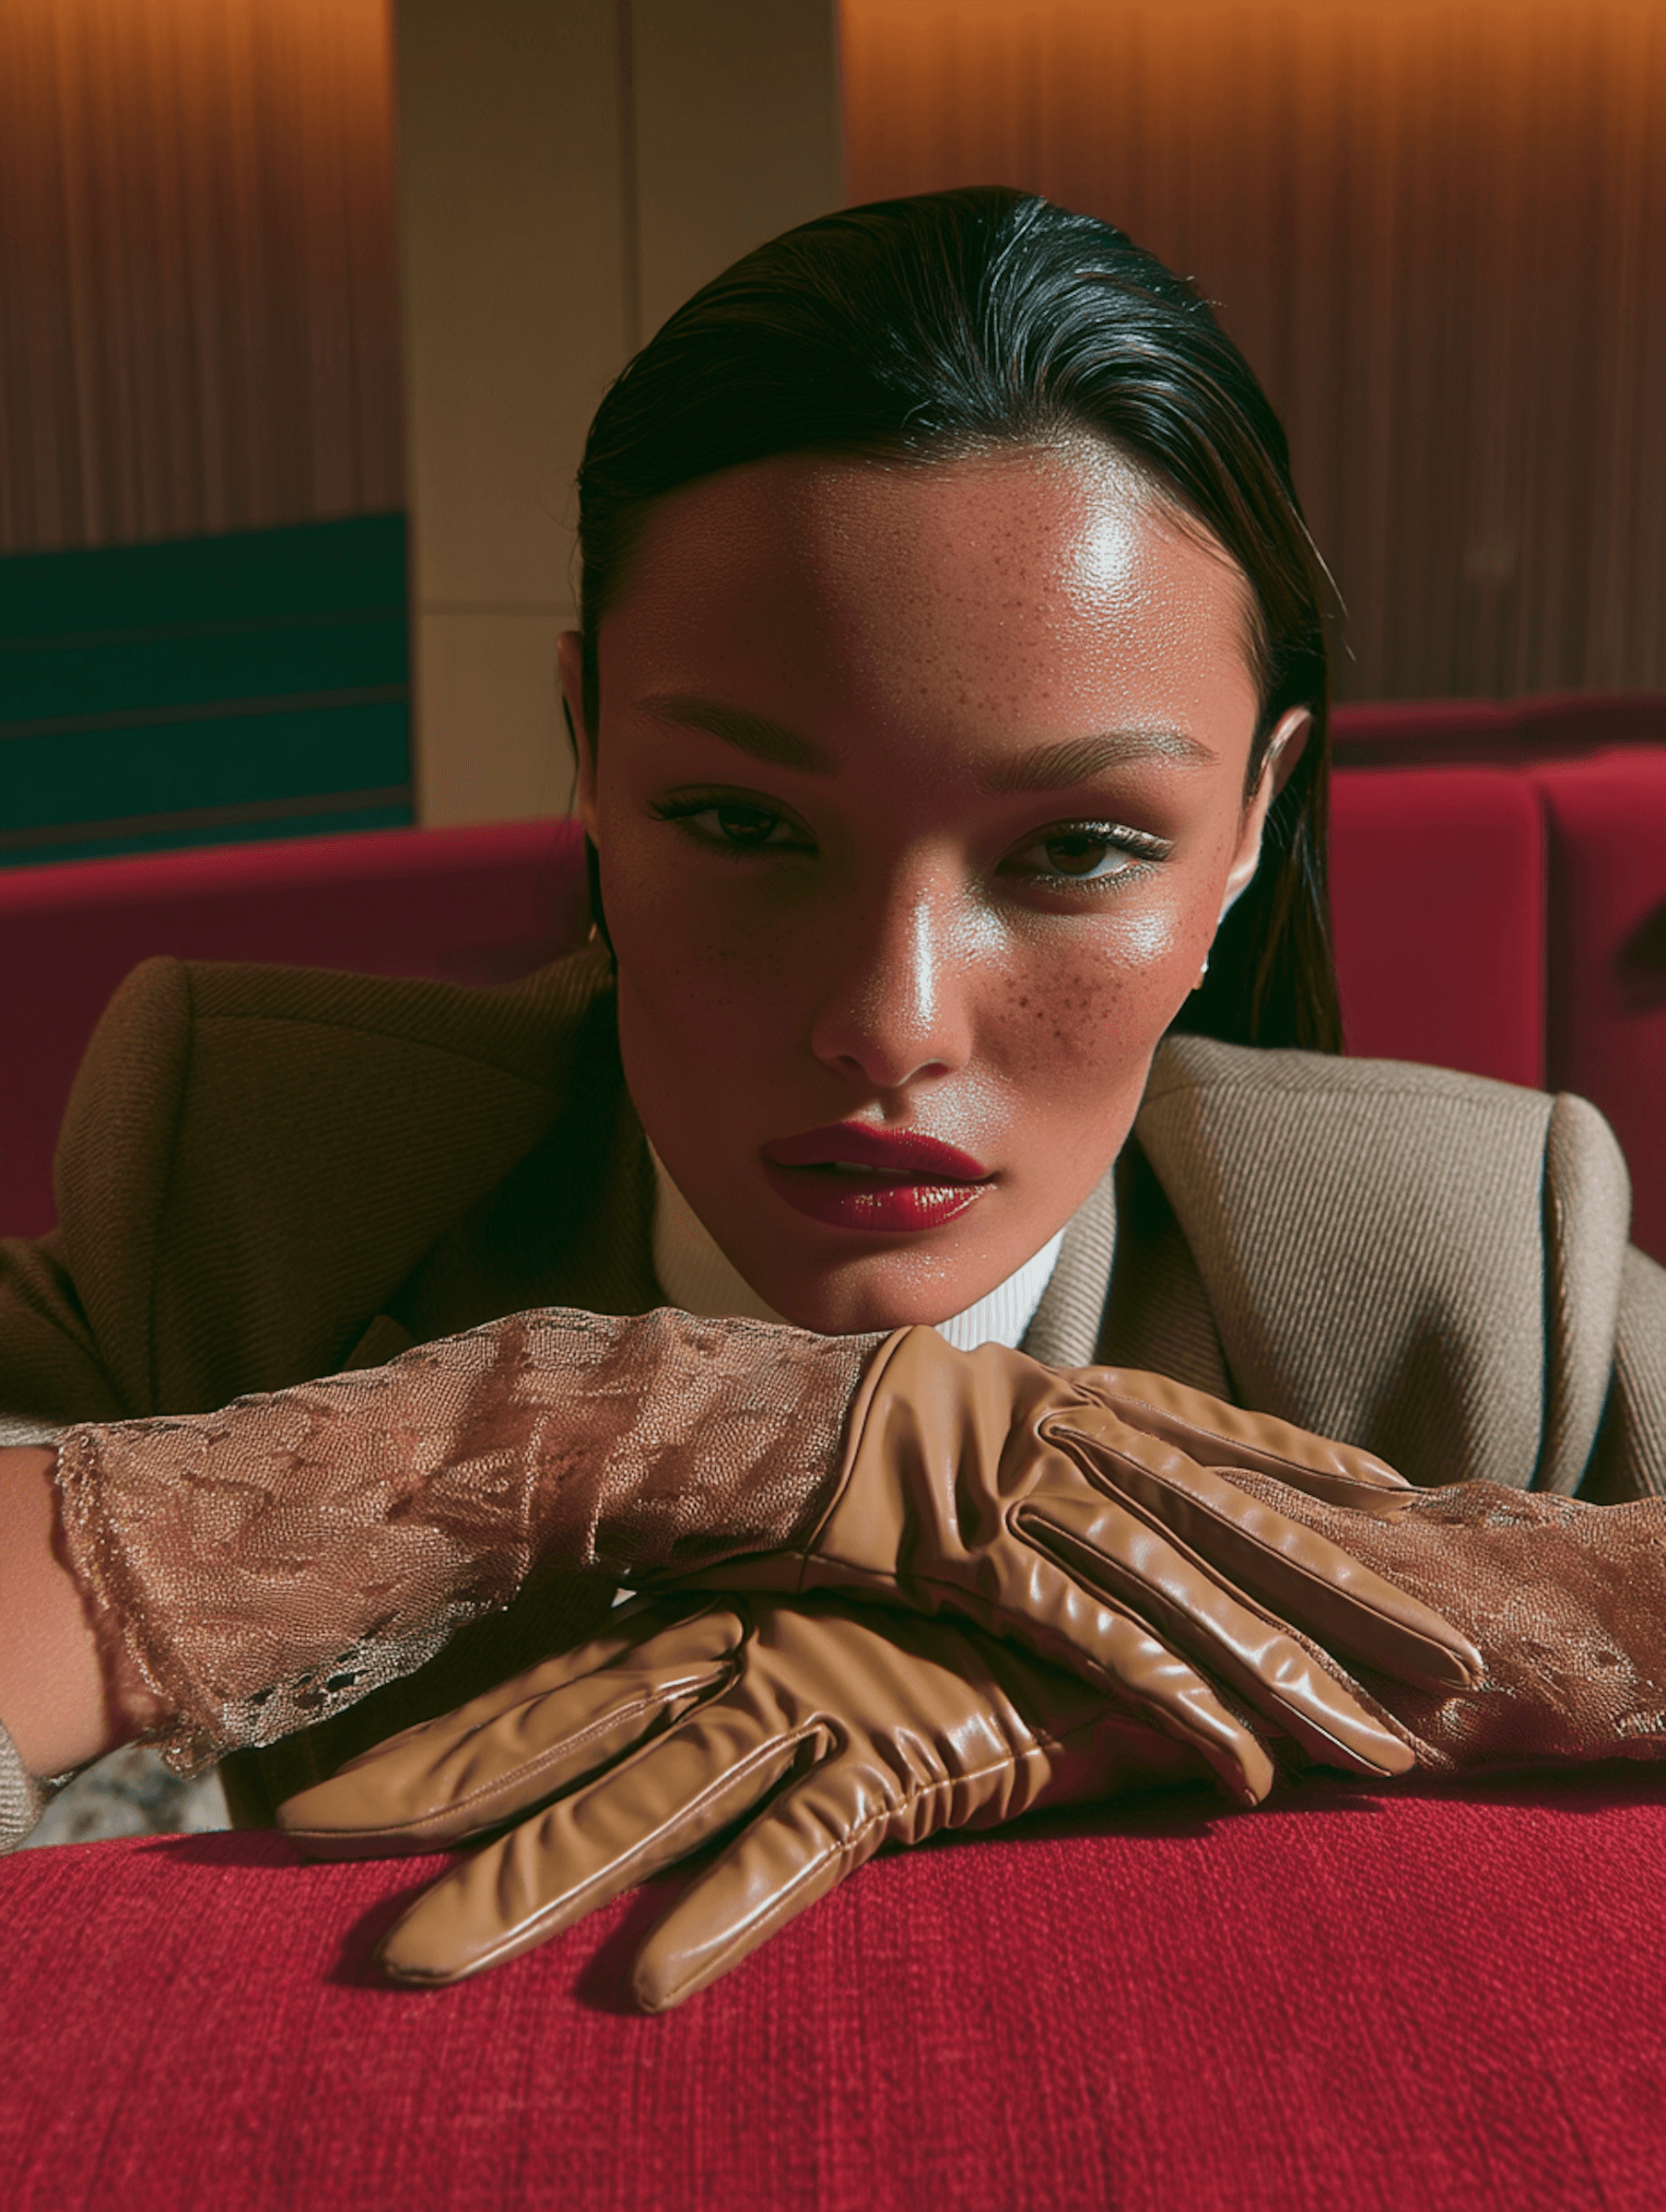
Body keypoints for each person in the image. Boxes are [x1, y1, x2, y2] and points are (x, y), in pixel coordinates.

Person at [2, 190, 1664, 2001]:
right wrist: (587, 1436)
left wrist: (1235, 1660)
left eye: (1079, 849)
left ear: (1253, 825)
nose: (890, 1024)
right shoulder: (267, 1157)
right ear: (584, 753)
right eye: (739, 827)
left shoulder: (1453, 1261)